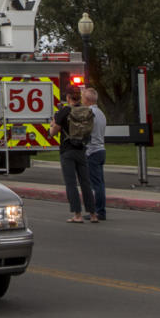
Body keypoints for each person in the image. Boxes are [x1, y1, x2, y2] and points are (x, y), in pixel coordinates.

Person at [54, 86, 95, 222]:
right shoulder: (86, 110)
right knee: (85, 182)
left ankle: (77, 215)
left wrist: (52, 125)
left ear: (68, 97)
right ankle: (93, 214)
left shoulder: (65, 111)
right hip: (82, 149)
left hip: (67, 150)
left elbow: (53, 132)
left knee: (71, 183)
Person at [82, 87, 107, 221]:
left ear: (86, 99)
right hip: (101, 149)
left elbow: (85, 132)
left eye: (83, 98)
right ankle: (100, 210)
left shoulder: (89, 113)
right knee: (100, 183)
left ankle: (99, 211)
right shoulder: (101, 113)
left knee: (96, 184)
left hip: (92, 150)